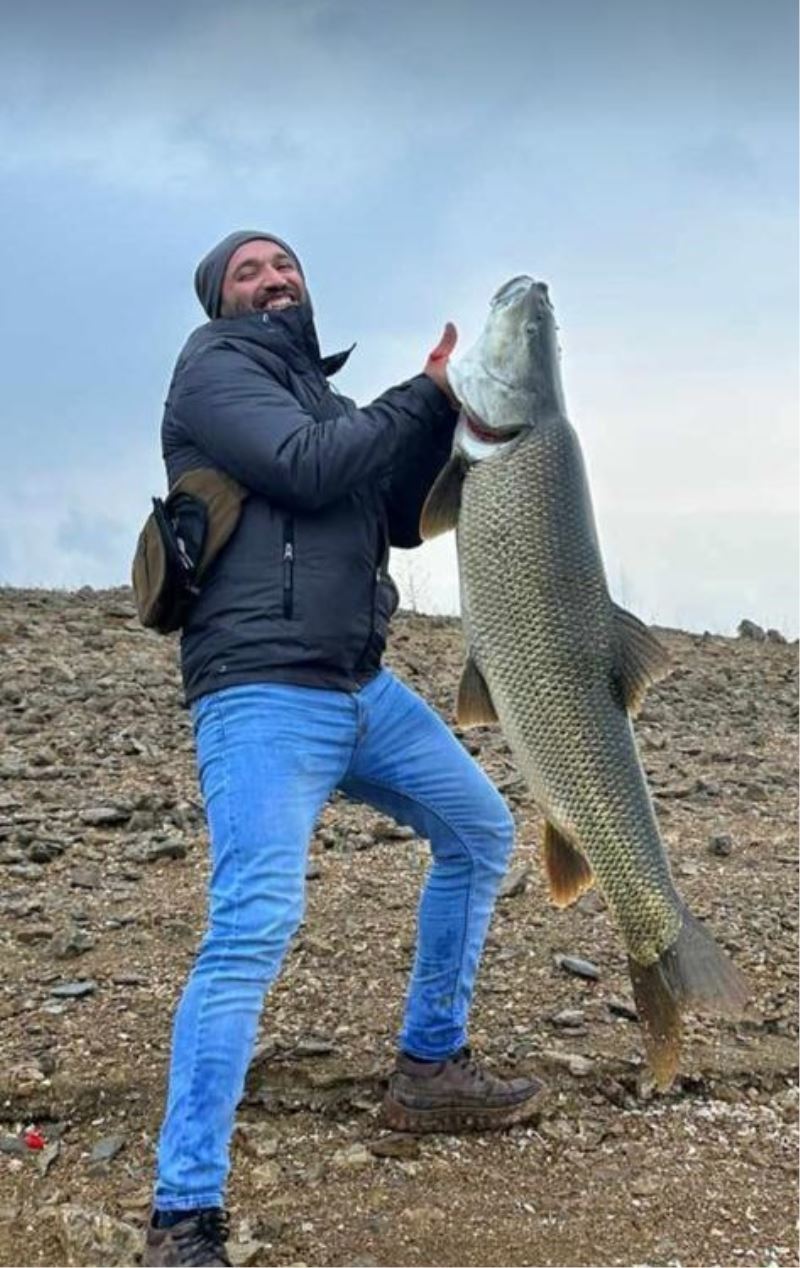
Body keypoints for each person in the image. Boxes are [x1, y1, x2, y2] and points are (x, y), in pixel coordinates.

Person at [143, 231, 546, 1267]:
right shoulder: (216, 370)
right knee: (252, 925)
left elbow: (395, 519)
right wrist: (421, 391)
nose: (275, 277)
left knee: (477, 827)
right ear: (219, 302)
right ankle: (183, 1210)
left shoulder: (322, 396)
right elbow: (305, 468)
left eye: (285, 264)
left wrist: (444, 416)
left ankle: (428, 1063)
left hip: (358, 686)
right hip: (260, 694)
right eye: (249, 270)